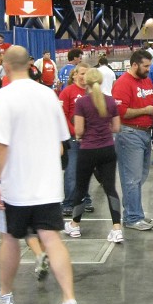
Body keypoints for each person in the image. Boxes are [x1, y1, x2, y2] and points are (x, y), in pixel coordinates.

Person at [0, 45, 80, 304]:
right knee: (52, 238)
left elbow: (0, 146)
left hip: (15, 186)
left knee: (9, 237)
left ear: (4, 64)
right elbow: (62, 145)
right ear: (30, 64)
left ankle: (5, 295)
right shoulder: (48, 95)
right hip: (48, 186)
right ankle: (69, 301)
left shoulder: (2, 97)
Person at [66, 68, 123, 242]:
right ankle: (116, 228)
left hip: (88, 150)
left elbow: (80, 130)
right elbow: (116, 128)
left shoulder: (82, 103)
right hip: (107, 150)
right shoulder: (111, 101)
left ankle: (75, 226)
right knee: (110, 188)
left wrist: (82, 135)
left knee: (81, 188)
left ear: (87, 83)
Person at [112, 50, 153, 231]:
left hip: (145, 133)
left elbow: (148, 102)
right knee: (132, 178)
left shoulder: (146, 81)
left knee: (140, 176)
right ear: (134, 65)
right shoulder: (122, 84)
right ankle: (133, 217)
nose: (149, 70)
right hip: (129, 133)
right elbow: (121, 112)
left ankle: (133, 213)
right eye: (146, 66)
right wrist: (146, 110)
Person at [59, 63, 91, 217]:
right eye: (82, 73)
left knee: (87, 170)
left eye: (87, 74)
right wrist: (74, 132)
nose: (84, 77)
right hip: (72, 139)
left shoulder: (92, 92)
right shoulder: (67, 92)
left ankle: (85, 199)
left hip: (89, 139)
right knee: (72, 171)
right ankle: (68, 202)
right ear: (75, 75)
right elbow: (62, 115)